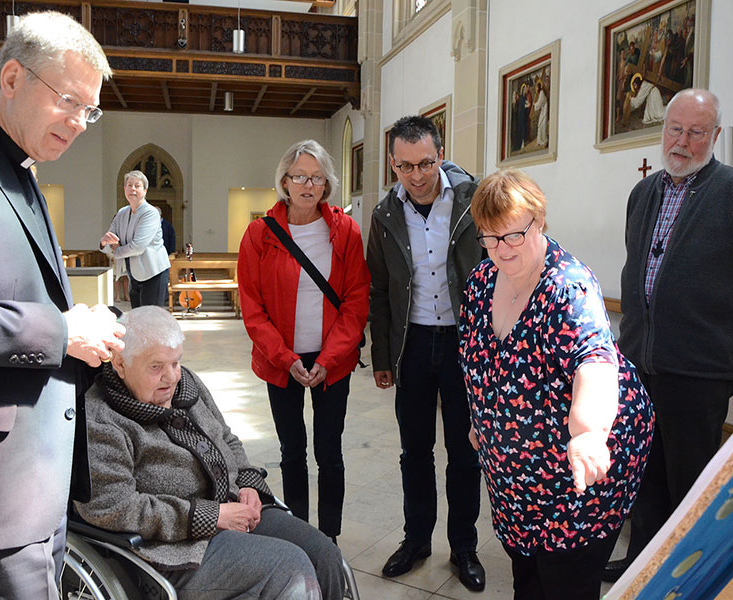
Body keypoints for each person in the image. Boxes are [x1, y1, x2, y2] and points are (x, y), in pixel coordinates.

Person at [0, 11, 124, 598]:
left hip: (33, 487)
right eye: (69, 100)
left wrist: (90, 330)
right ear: (12, 78)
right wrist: (62, 334)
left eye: (90, 110)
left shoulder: (21, 173)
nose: (81, 122)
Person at [604, 88, 733, 581]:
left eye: (696, 132)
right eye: (675, 129)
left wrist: (723, 326)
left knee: (690, 484)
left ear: (714, 136)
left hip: (699, 373)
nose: (683, 142)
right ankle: (640, 567)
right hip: (641, 366)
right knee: (644, 479)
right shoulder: (643, 193)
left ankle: (684, 578)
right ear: (662, 130)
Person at [458, 168, 653, 600]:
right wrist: (480, 418)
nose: (500, 250)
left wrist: (587, 433)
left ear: (539, 221)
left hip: (577, 472)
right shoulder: (480, 282)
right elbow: (477, 359)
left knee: (565, 580)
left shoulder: (568, 287)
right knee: (527, 575)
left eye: (512, 235)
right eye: (488, 238)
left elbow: (595, 363)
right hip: (515, 473)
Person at [75, 306, 345, 600]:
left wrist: (247, 484)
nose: (171, 377)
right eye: (156, 367)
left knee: (325, 556)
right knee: (290, 570)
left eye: (176, 362)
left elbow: (225, 437)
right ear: (120, 363)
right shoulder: (103, 420)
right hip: (176, 548)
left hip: (235, 511)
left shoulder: (185, 384)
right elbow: (111, 507)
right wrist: (211, 516)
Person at [366, 115, 485, 591]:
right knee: (414, 450)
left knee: (464, 451)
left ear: (441, 154)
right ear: (393, 164)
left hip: (464, 342)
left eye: (426, 163)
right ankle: (417, 539)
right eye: (405, 166)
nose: (417, 176)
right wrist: (380, 355)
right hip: (412, 343)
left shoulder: (474, 201)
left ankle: (464, 547)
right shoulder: (383, 215)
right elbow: (379, 289)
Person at [238, 139, 369, 542]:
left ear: (327, 183)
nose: (307, 185)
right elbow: (252, 306)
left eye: (316, 177)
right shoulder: (260, 233)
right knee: (292, 453)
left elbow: (355, 301)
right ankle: (298, 536)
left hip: (333, 361)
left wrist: (329, 358)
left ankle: (328, 538)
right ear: (285, 181)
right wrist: (283, 357)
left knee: (329, 454)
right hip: (281, 362)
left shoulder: (345, 231)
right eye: (299, 176)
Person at [100, 169, 171, 308]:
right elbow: (110, 239)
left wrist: (116, 250)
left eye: (137, 185)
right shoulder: (122, 213)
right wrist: (104, 242)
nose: (132, 188)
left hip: (153, 272)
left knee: (150, 319)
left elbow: (138, 246)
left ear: (145, 190)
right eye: (129, 185)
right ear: (124, 189)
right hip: (134, 273)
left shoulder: (151, 213)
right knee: (137, 317)